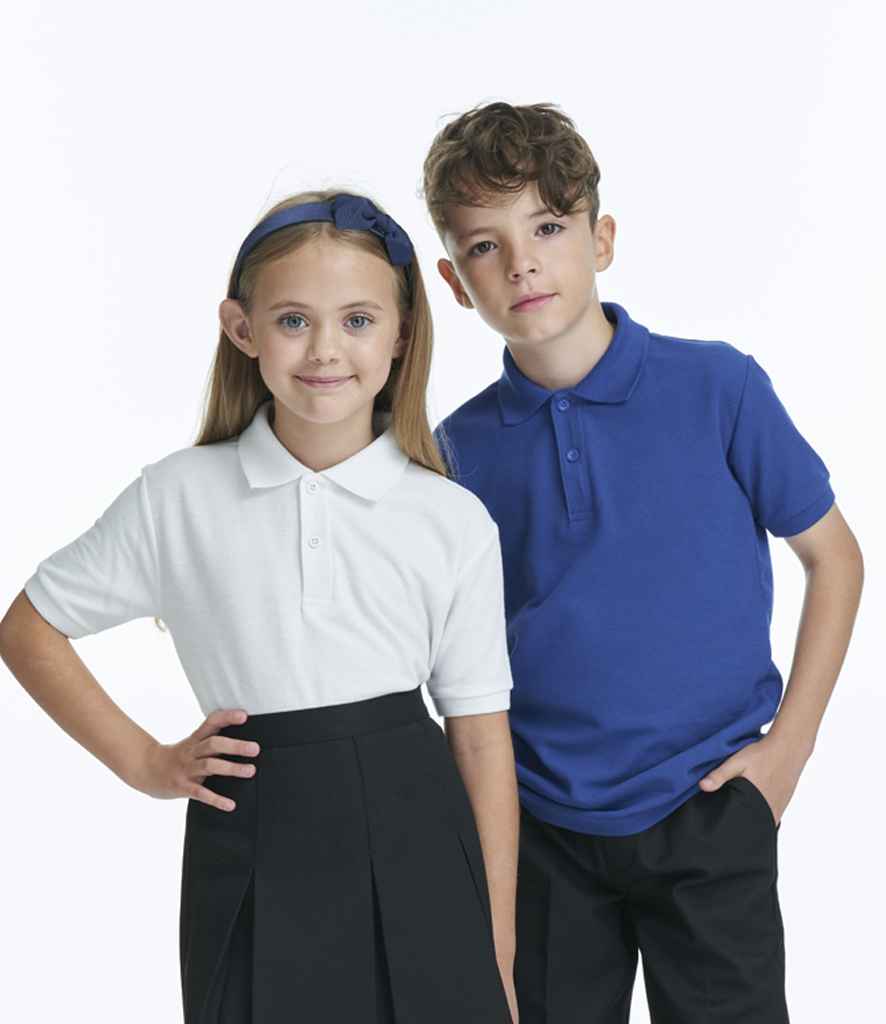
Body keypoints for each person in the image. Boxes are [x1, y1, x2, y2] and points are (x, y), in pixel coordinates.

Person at [0, 189, 521, 1023]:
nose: (325, 349)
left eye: (357, 320)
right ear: (242, 330)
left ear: (401, 334)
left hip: (420, 841)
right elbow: (30, 628)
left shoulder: (449, 518)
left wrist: (498, 948)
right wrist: (145, 762)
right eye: (292, 321)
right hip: (251, 840)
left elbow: (481, 739)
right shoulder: (180, 496)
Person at [421, 101, 864, 1023]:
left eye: (548, 227)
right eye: (486, 246)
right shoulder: (455, 454)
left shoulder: (719, 388)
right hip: (543, 827)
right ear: (456, 283)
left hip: (711, 804)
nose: (522, 262)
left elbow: (834, 559)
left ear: (603, 238)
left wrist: (789, 750)